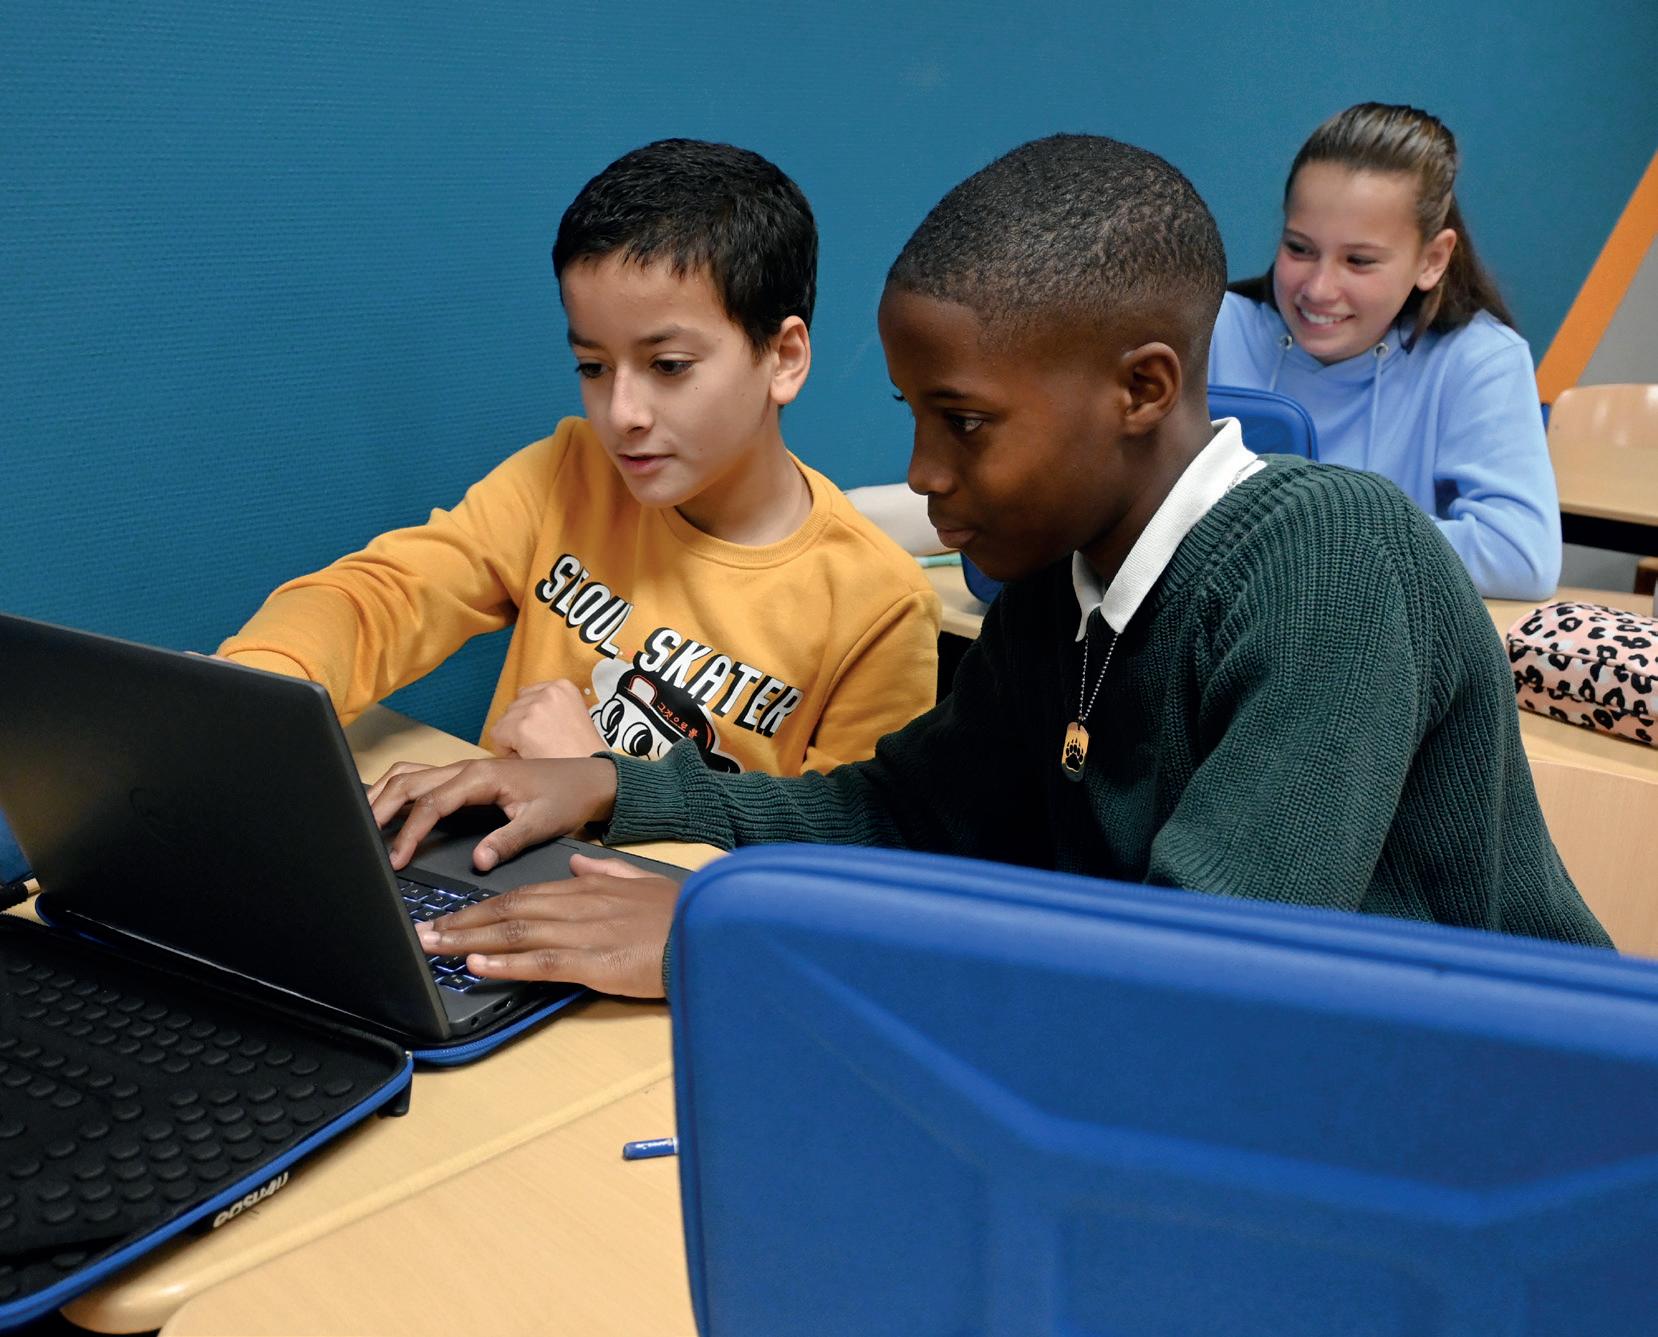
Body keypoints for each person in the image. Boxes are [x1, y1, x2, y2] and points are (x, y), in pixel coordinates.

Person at [367, 133, 1610, 999]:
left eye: (961, 422)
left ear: (1141, 389)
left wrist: (727, 931)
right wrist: (611, 788)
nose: (922, 472)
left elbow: (1203, 979)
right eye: (914, 416)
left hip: (1505, 1139)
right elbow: (899, 811)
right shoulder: (1055, 596)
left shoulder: (1329, 556)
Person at [217, 139, 940, 776]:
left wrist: (596, 776)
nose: (622, 414)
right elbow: (387, 595)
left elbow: (840, 853)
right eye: (593, 367)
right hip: (495, 864)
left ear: (782, 358)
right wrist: (256, 688)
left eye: (669, 366)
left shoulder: (877, 605)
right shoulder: (570, 471)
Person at [1208, 102, 1561, 601]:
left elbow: (1522, 558)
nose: (1319, 288)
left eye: (1359, 260)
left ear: (1432, 260)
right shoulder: (1211, 327)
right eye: (1299, 248)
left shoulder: (1479, 360)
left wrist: (1309, 529)